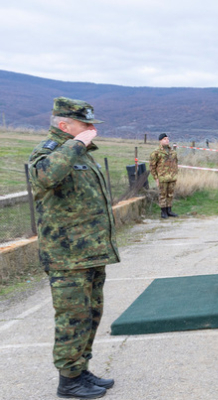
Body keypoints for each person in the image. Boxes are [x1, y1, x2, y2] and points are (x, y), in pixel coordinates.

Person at [28, 97, 119, 398]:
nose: (92, 129)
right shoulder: (49, 152)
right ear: (64, 125)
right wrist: (78, 143)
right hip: (67, 257)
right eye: (85, 124)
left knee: (91, 314)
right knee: (72, 318)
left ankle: (81, 370)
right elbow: (46, 176)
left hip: (90, 252)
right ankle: (68, 381)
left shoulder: (82, 155)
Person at [150, 133, 179, 219]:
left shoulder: (173, 152)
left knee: (170, 195)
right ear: (160, 141)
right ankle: (163, 212)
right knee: (162, 195)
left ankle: (169, 210)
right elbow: (152, 166)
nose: (167, 140)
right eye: (165, 139)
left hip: (172, 177)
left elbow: (176, 163)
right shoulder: (156, 153)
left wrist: (175, 174)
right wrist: (156, 178)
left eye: (168, 139)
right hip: (162, 177)